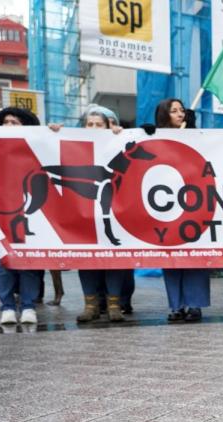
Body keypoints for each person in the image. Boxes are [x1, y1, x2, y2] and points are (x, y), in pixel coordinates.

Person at [63, 106, 132, 323]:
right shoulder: (74, 145)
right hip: (83, 213)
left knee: (115, 259)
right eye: (89, 124)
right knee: (87, 260)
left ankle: (114, 306)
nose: (94, 128)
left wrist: (120, 134)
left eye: (98, 124)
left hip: (112, 212)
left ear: (108, 125)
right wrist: (53, 131)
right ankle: (90, 306)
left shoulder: (117, 142)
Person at [0, 107, 46, 325]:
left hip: (30, 214)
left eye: (15, 122)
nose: (9, 125)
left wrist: (53, 132)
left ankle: (28, 306)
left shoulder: (36, 149)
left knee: (28, 261)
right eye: (6, 121)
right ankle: (8, 307)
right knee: (3, 262)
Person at [154, 98, 211, 323]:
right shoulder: (154, 137)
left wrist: (193, 131)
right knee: (171, 257)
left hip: (194, 202)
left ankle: (194, 304)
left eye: (182, 110)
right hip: (165, 204)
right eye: (174, 111)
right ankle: (176, 305)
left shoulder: (195, 135)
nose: (179, 114)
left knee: (194, 255)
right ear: (164, 115)